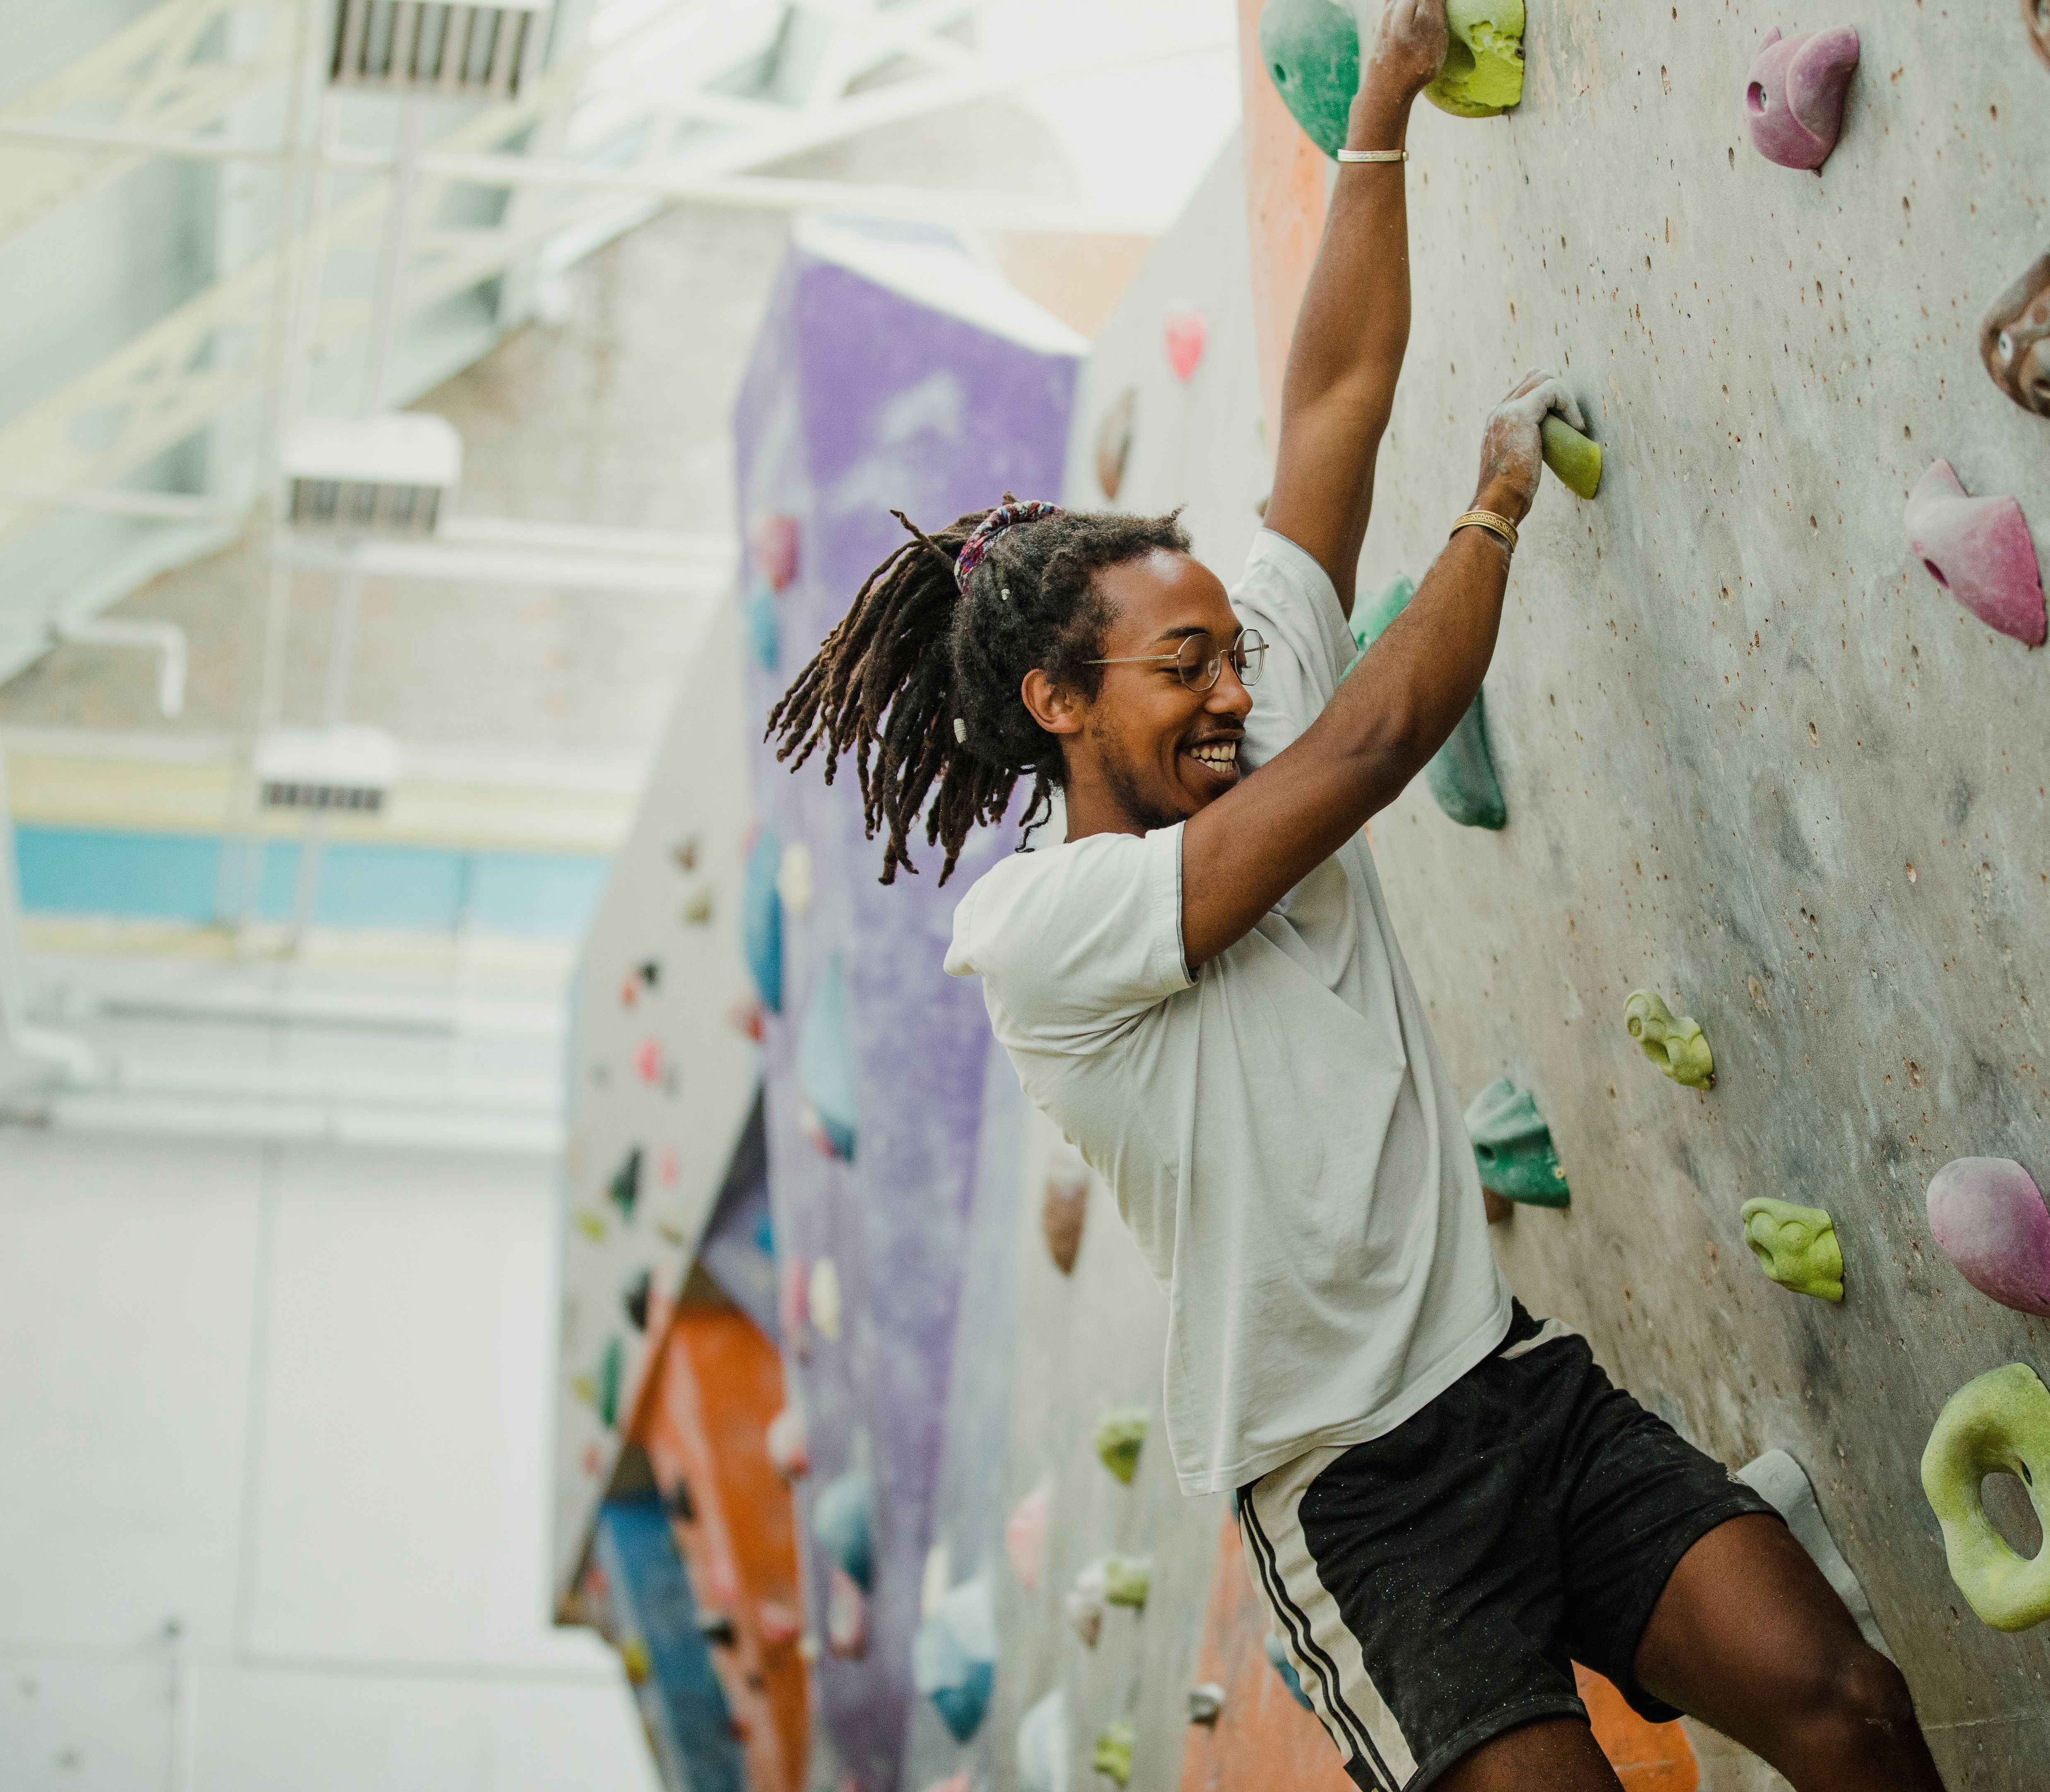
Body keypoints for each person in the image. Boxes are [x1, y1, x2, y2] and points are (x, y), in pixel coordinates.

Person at [766, 3, 1947, 1786]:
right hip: (1359, 1504)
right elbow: (1380, 749)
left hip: (1511, 1390)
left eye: (1235, 655)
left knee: (1848, 1706)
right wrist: (1488, 519)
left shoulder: (1259, 710)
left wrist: (1382, 105)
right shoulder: (1045, 932)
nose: (1237, 689)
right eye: (1185, 669)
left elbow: (1329, 402)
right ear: (1058, 705)